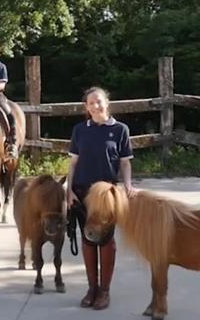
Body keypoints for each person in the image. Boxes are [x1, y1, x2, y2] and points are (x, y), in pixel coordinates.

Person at [66, 86, 135, 310]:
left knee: (105, 241)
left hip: (107, 194)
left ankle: (104, 291)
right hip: (82, 191)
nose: (96, 106)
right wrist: (68, 190)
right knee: (87, 239)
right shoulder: (79, 130)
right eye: (91, 103)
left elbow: (125, 162)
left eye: (99, 101)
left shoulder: (121, 130)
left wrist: (127, 186)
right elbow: (73, 163)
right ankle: (91, 288)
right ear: (86, 107)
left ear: (107, 102)